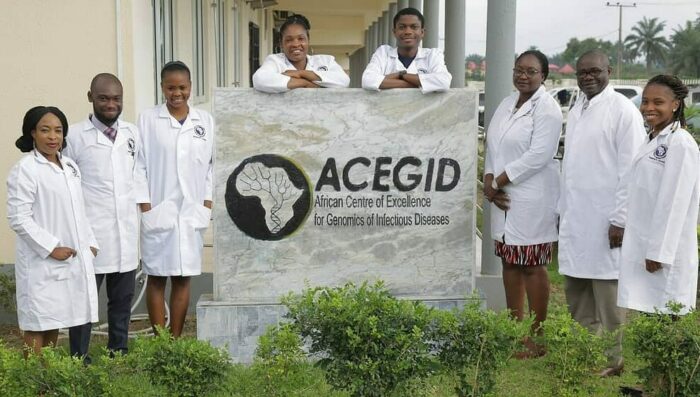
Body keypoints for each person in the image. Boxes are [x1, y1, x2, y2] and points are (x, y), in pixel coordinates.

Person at [558, 50, 646, 376]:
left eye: (595, 71)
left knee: (608, 295)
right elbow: (572, 163)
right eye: (582, 72)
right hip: (577, 216)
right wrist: (561, 209)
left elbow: (632, 169)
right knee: (577, 290)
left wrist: (620, 218)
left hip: (607, 219)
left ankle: (614, 360)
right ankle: (586, 352)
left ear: (609, 70)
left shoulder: (622, 110)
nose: (587, 77)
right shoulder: (578, 105)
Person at [484, 50, 562, 357]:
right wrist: (489, 178)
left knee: (532, 265)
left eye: (531, 71)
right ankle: (514, 332)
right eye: (519, 70)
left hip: (531, 197)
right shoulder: (507, 103)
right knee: (509, 262)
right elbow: (493, 143)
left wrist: (498, 181)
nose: (523, 76)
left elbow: (539, 155)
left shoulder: (548, 109)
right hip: (502, 197)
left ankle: (536, 336)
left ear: (543, 75)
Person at [7, 106, 99, 357]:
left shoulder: (69, 166)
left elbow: (80, 210)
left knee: (54, 322)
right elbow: (18, 217)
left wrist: (90, 244)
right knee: (37, 324)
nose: (52, 137)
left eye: (58, 131)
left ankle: (47, 381)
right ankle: (30, 384)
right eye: (45, 130)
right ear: (32, 133)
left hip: (70, 258)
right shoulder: (25, 169)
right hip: (41, 263)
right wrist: (51, 247)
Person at [135, 61, 213, 337]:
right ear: (162, 88)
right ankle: (161, 343)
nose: (176, 93)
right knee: (156, 277)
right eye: (170, 87)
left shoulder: (204, 121)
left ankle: (176, 340)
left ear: (190, 87)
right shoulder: (147, 119)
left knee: (183, 277)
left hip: (191, 212)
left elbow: (210, 166)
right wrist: (146, 206)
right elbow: (139, 165)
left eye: (182, 87)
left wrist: (206, 203)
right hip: (159, 210)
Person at [64, 73, 140, 360]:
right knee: (85, 299)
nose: (111, 104)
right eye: (104, 98)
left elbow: (137, 175)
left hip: (125, 230)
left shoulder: (132, 133)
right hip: (91, 233)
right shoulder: (73, 136)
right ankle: (79, 355)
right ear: (90, 97)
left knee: (121, 299)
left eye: (116, 98)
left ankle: (118, 349)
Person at [617, 75, 699, 315]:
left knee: (667, 318)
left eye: (658, 102)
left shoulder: (680, 143)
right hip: (645, 243)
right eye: (645, 101)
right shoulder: (653, 138)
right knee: (651, 315)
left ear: (675, 104)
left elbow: (674, 203)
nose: (648, 108)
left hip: (664, 253)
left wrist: (658, 252)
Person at [362, 7, 451, 93]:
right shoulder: (383, 53)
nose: (408, 31)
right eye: (402, 27)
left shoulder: (432, 55)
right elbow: (367, 80)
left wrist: (401, 75)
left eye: (414, 27)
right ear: (394, 32)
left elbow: (443, 81)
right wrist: (418, 84)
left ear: (422, 32)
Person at [252, 14, 350, 93]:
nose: (295, 44)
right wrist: (305, 83)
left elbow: (344, 81)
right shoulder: (275, 61)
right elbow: (259, 79)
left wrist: (300, 73)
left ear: (308, 40)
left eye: (301, 38)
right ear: (281, 44)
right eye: (289, 40)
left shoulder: (326, 61)